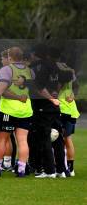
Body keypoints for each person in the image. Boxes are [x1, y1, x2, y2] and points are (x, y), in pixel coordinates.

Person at [0, 47, 34, 177]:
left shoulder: (7, 69)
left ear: (10, 57)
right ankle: (21, 169)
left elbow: (1, 87)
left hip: (8, 110)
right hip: (25, 110)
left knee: (1, 139)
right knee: (22, 140)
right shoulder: (30, 71)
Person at [29, 45, 73, 178]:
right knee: (58, 137)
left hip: (44, 106)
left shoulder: (41, 67)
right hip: (54, 107)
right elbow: (68, 77)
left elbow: (39, 87)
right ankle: (61, 170)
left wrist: (50, 98)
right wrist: (56, 92)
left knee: (45, 137)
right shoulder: (58, 67)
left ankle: (49, 171)